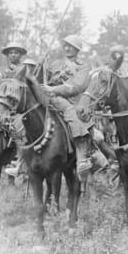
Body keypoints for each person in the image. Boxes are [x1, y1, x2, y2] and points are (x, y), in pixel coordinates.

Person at [42, 35, 94, 179]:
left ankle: (83, 155)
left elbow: (77, 86)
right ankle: (20, 159)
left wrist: (53, 89)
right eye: (65, 45)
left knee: (73, 113)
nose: (67, 48)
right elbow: (44, 79)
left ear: (77, 49)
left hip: (75, 101)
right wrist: (42, 64)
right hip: (53, 99)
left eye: (71, 46)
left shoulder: (84, 66)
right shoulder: (55, 64)